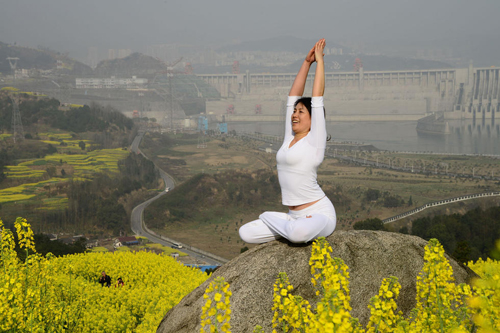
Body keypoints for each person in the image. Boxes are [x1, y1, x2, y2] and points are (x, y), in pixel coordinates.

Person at [239, 38, 336, 244]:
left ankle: (271, 218)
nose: (295, 114)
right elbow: (293, 96)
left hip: (319, 214)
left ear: (312, 120)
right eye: (294, 111)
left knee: (297, 235)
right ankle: (286, 222)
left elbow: (317, 97)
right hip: (293, 216)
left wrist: (320, 62)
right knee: (245, 233)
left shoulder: (314, 141)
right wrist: (307, 62)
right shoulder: (289, 138)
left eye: (301, 112)